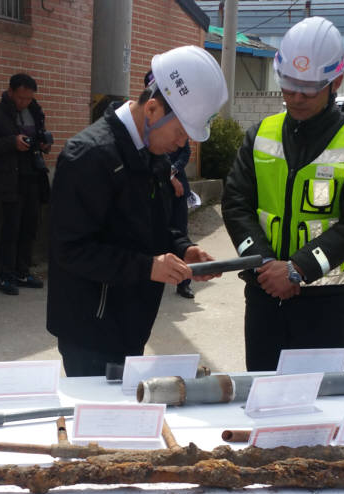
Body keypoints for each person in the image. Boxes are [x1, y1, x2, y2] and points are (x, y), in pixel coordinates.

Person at [47, 46, 228, 376]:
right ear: (154, 109)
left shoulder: (150, 149)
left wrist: (182, 249)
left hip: (130, 319)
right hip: (91, 328)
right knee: (101, 422)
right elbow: (70, 249)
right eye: (181, 133)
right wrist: (148, 267)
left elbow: (153, 224)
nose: (182, 145)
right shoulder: (88, 156)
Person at [222, 17, 344, 372]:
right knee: (264, 401)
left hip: (325, 303)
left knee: (320, 407)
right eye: (288, 86)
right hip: (264, 294)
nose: (295, 98)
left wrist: (298, 269)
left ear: (335, 82)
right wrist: (265, 264)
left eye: (308, 90)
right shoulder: (260, 135)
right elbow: (236, 204)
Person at [0, 73, 52, 296]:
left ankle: (23, 271)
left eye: (29, 98)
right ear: (10, 92)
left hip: (32, 177)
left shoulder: (35, 111)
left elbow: (40, 139)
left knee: (29, 227)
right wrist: (12, 142)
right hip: (9, 180)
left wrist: (43, 143)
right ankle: (6, 276)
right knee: (11, 229)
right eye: (21, 98)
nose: (24, 102)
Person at [167, 139, 195, 299]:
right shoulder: (153, 125)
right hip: (157, 188)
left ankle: (184, 283)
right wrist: (169, 177)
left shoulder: (179, 125)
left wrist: (173, 169)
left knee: (181, 233)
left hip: (179, 190)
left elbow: (186, 152)